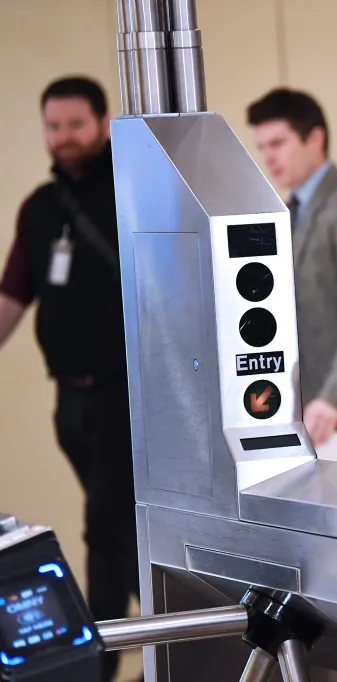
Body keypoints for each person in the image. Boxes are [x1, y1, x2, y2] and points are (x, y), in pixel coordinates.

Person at [0, 76, 139, 682]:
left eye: (75, 125)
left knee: (103, 529)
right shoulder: (40, 207)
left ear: (103, 124)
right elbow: (12, 296)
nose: (64, 138)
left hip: (125, 397)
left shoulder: (129, 192)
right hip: (71, 404)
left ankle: (95, 669)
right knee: (120, 531)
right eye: (53, 127)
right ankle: (181, 634)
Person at [247, 88, 337, 465]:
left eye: (278, 143)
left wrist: (332, 400)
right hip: (292, 416)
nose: (269, 158)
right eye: (262, 147)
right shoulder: (282, 212)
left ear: (316, 138)